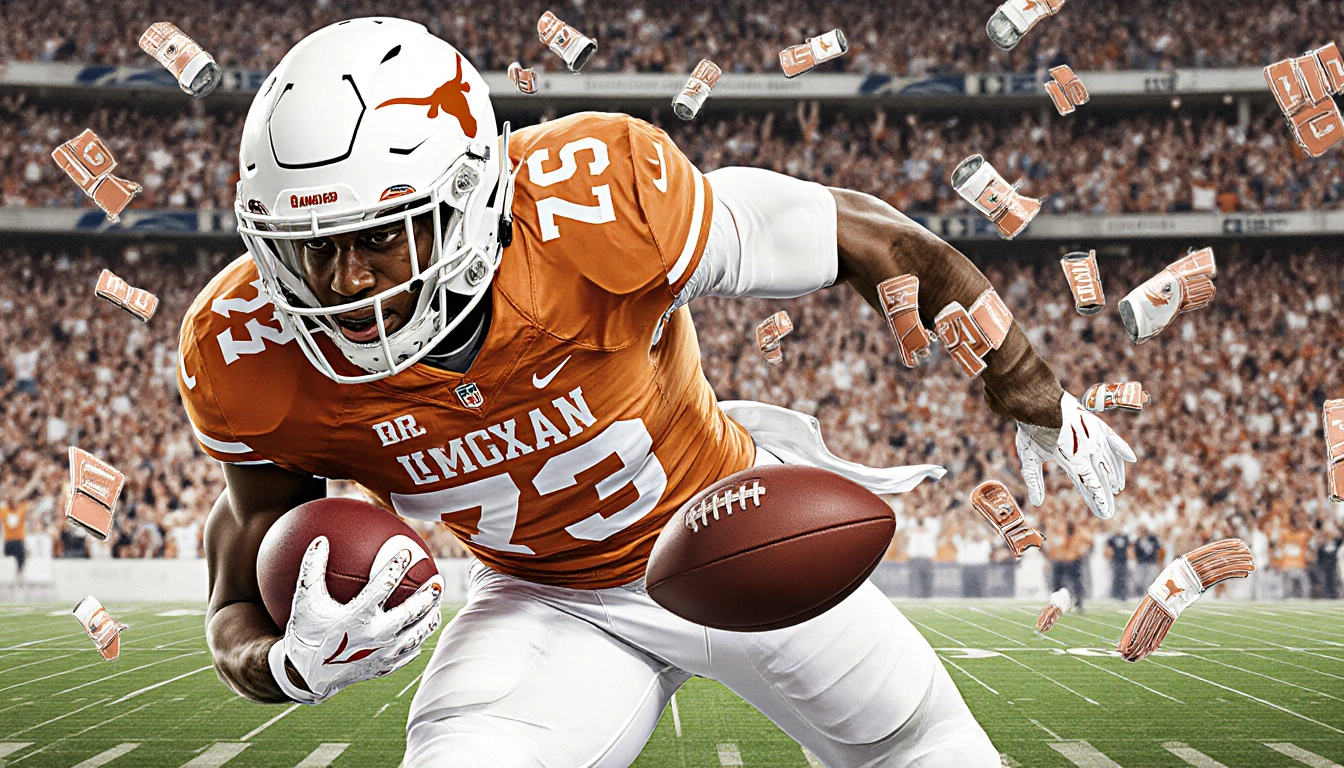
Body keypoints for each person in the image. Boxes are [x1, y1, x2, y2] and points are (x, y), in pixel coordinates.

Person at [178, 19, 1135, 767]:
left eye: (384, 234)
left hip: (736, 529)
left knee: (928, 750)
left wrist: (1033, 388)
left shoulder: (598, 200)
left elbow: (867, 235)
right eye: (312, 247)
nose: (346, 283)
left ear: (472, 195)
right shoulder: (241, 345)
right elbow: (243, 575)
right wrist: (283, 663)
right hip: (545, 599)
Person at [1048, 520, 1092, 612]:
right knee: (1057, 583)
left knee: (1077, 583)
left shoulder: (1079, 533)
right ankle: (1056, 602)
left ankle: (1079, 602)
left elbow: (1090, 541)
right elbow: (1054, 543)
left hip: (1073, 560)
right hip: (1061, 560)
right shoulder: (1061, 532)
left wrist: (1082, 551)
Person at [1132, 524, 1162, 598]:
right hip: (1141, 563)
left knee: (1150, 581)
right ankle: (1140, 596)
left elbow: (1158, 550)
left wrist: (1158, 561)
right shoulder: (1138, 541)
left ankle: (1149, 596)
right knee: (1139, 582)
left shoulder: (1153, 538)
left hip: (1151, 563)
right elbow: (1136, 553)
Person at [1105, 523, 1130, 600]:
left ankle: (1123, 595)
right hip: (1115, 560)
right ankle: (1115, 595)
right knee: (1115, 578)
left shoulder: (1125, 537)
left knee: (1123, 578)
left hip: (1123, 560)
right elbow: (1109, 550)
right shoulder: (1111, 538)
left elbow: (1128, 549)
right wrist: (1109, 560)